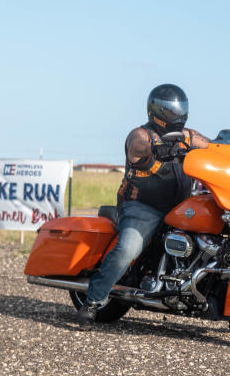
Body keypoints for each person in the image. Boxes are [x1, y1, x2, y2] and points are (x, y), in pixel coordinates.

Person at [78, 83, 210, 326]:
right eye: (172, 111)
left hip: (180, 207)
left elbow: (212, 146)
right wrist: (158, 148)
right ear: (156, 112)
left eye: (180, 110)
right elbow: (136, 149)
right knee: (128, 248)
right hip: (142, 206)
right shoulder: (141, 135)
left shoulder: (188, 135)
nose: (177, 115)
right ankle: (93, 301)